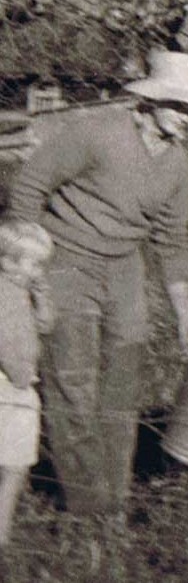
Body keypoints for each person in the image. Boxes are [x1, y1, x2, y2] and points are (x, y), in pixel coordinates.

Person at [5, 49, 188, 526]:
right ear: (150, 102)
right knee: (72, 381)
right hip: (64, 260)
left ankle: (115, 498)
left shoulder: (177, 167)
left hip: (123, 266)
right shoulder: (96, 133)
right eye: (180, 108)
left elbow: (171, 240)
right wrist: (26, 257)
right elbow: (29, 184)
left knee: (123, 382)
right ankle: (90, 506)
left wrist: (186, 313)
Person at [0, 221, 55, 551]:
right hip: (10, 385)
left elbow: (46, 325)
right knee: (14, 465)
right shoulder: (4, 296)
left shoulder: (23, 289)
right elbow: (8, 343)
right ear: (7, 260)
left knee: (14, 466)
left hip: (16, 385)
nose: (38, 271)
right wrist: (22, 376)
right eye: (33, 264)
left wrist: (42, 292)